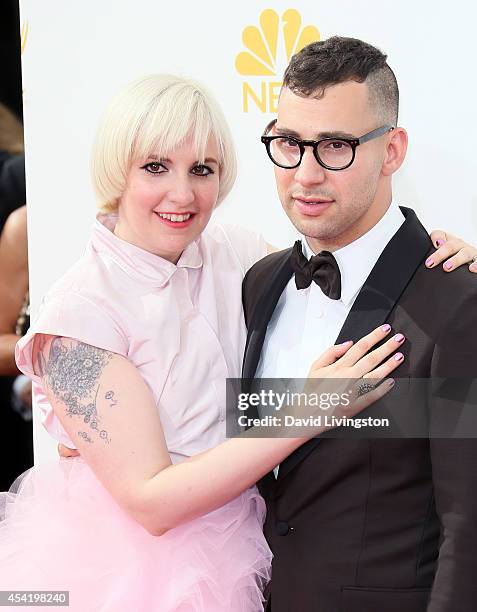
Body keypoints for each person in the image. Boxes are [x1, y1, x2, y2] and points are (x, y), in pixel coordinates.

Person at [0, 74, 407, 612]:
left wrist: (433, 254)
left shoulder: (229, 251)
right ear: (115, 170)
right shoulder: (79, 314)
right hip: (133, 572)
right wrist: (306, 408)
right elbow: (150, 501)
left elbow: (334, 276)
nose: (182, 194)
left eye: (202, 170)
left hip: (257, 539)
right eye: (155, 167)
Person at [242, 36, 477, 612]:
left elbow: (468, 527)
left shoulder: (456, 302)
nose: (306, 175)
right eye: (290, 144)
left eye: (336, 147)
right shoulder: (258, 284)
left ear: (392, 150)